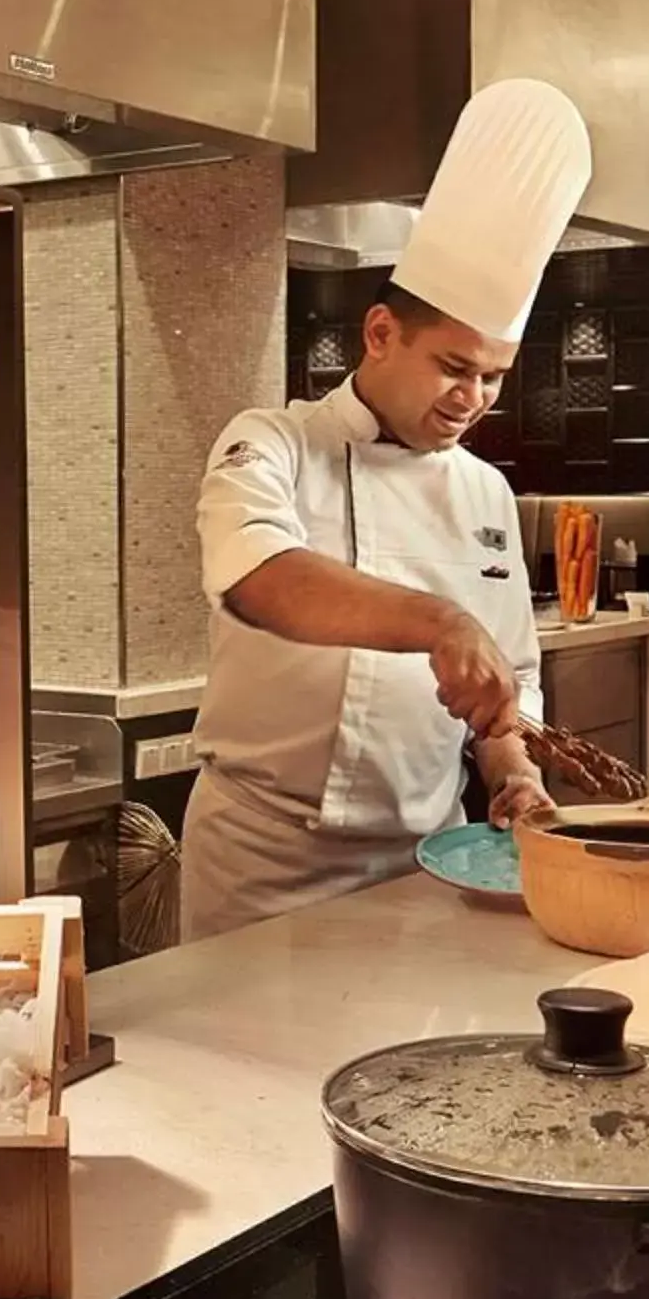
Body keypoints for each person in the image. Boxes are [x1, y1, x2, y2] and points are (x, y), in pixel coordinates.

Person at [181, 79, 593, 938]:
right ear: (379, 335)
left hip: (431, 859)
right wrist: (440, 622)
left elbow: (511, 671)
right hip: (265, 861)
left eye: (492, 377)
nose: (472, 397)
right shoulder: (271, 443)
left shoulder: (483, 489)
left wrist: (512, 766)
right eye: (453, 366)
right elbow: (259, 578)